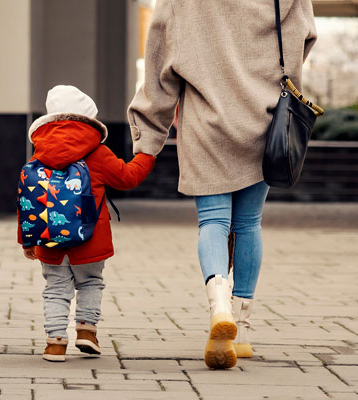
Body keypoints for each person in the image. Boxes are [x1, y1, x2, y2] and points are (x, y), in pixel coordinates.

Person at [128, 0, 317, 369]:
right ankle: (242, 330)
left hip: (205, 121)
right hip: (265, 119)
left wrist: (147, 139)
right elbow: (306, 36)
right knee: (249, 224)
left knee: (213, 221)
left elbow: (159, 64)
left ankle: (219, 306)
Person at [18, 85, 155, 362]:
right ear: (90, 121)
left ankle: (55, 343)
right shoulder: (97, 153)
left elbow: (28, 197)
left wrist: (28, 240)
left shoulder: (39, 155)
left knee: (56, 289)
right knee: (91, 282)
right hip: (91, 238)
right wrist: (147, 154)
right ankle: (87, 332)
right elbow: (128, 178)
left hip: (49, 237)